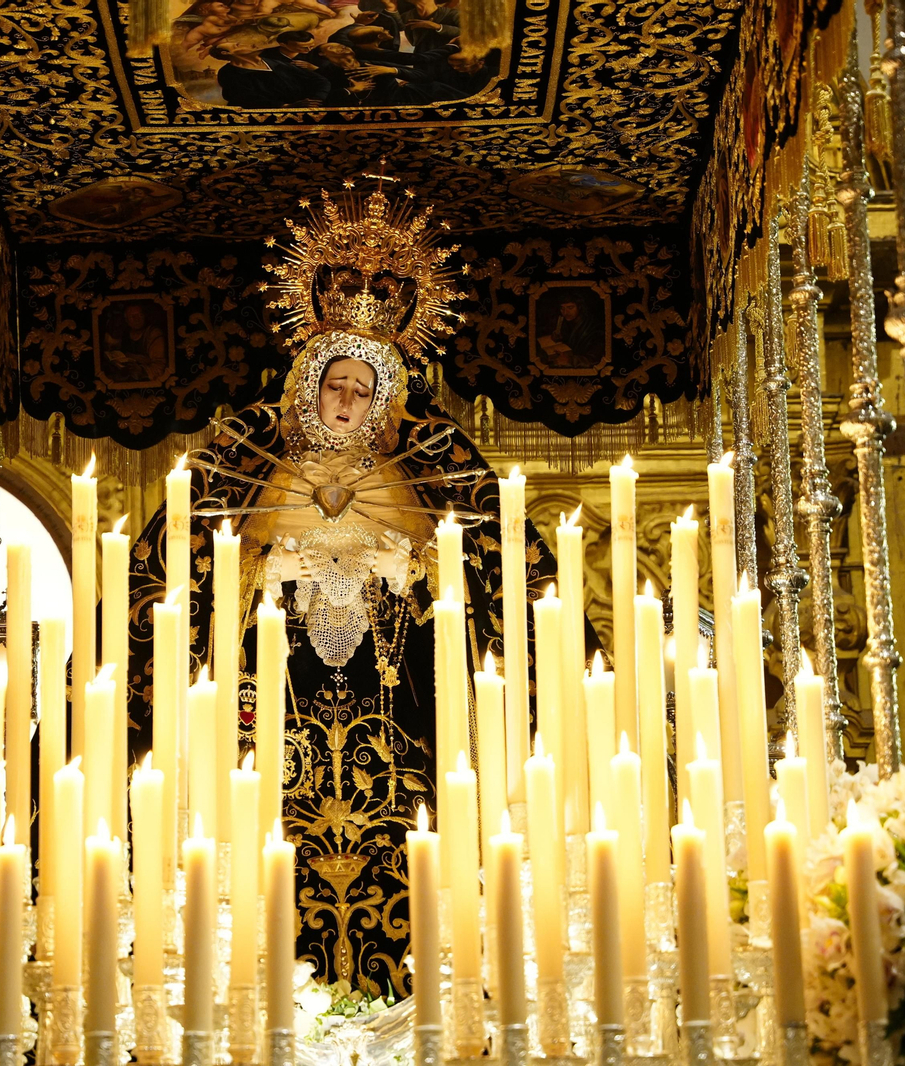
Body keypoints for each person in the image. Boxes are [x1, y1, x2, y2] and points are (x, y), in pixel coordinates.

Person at [125, 181, 575, 999]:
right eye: (333, 385)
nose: (344, 401)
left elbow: (476, 586)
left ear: (383, 401)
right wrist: (274, 571)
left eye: (361, 391)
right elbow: (203, 577)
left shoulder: (428, 468)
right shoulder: (255, 463)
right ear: (310, 384)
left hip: (394, 726)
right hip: (278, 719)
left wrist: (408, 573)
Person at [212, 43, 331, 107]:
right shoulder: (230, 73)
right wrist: (287, 106)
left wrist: (316, 99)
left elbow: (319, 80)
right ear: (226, 53)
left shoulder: (276, 63)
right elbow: (245, 99)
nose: (247, 44)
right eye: (237, 46)